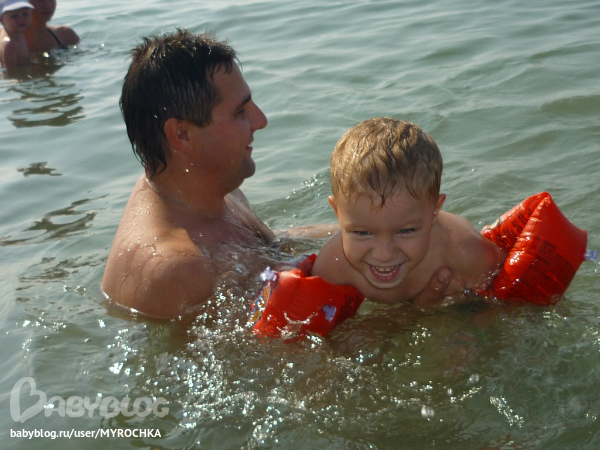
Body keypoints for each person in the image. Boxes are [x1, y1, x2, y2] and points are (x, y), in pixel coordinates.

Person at [102, 31, 451, 320]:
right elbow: (261, 368)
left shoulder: (211, 190)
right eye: (240, 111)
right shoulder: (174, 269)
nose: (261, 120)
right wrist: (416, 311)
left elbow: (271, 247)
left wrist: (384, 229)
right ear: (182, 134)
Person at [312, 117, 507, 305]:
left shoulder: (467, 254)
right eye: (362, 233)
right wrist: (416, 312)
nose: (384, 255)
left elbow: (499, 308)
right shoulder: (331, 269)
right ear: (337, 211)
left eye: (405, 231)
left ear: (435, 210)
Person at [0, 0, 33, 68]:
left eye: (25, 14)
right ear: (2, 20)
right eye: (14, 16)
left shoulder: (16, 34)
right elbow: (10, 72)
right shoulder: (9, 44)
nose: (21, 19)